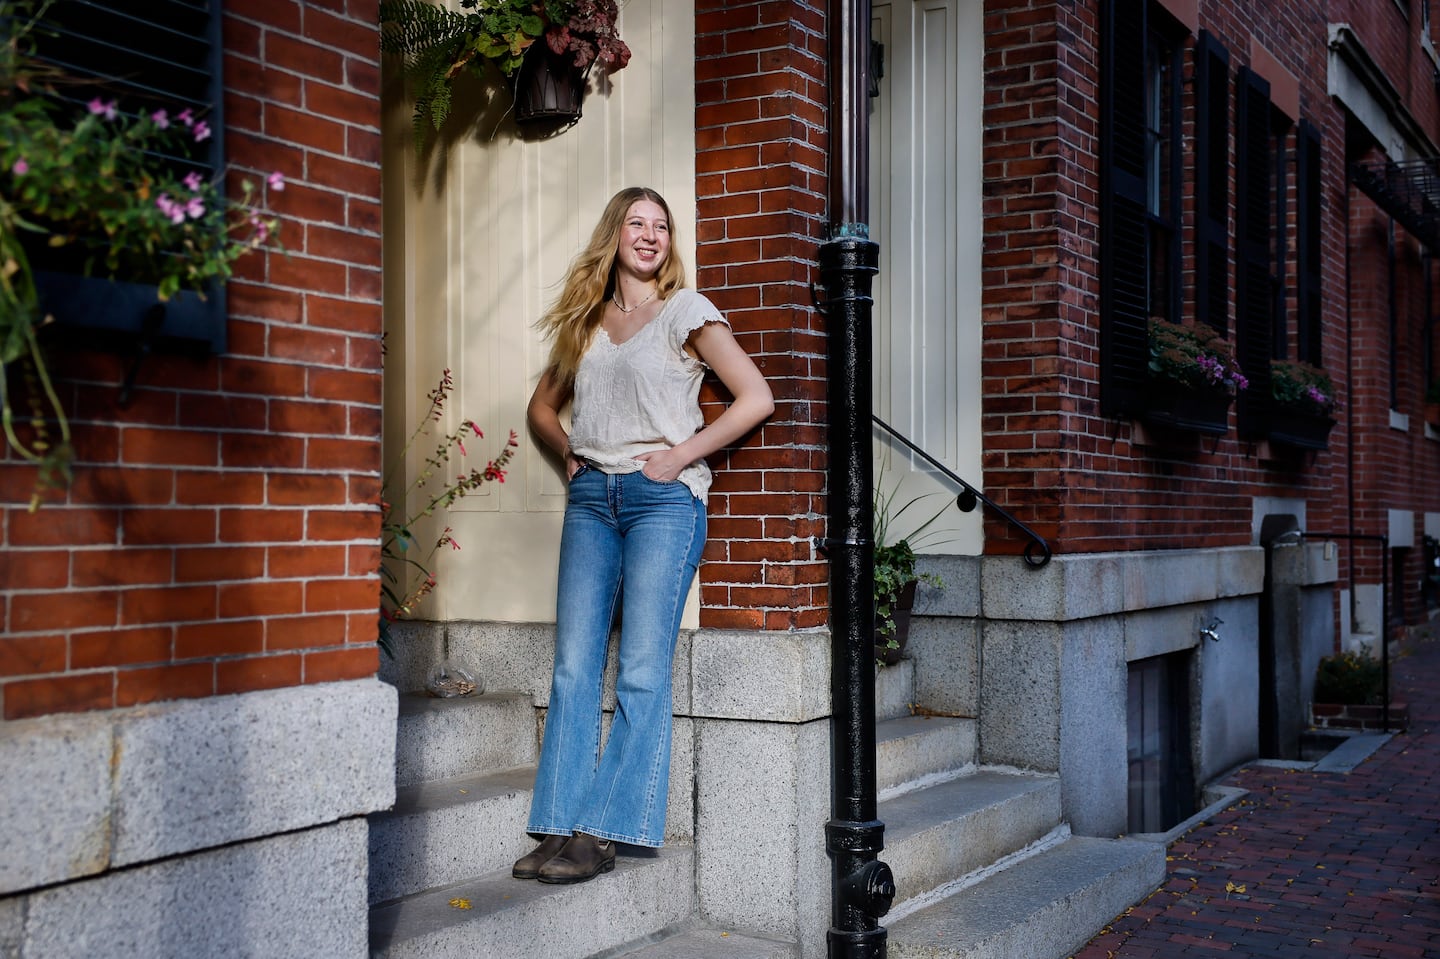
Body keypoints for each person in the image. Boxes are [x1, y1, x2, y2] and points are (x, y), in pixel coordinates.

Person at [513, 187, 774, 884]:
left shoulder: (686, 311)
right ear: (615, 235)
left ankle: (606, 828)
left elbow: (756, 396)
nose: (650, 235)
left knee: (639, 667)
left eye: (661, 225)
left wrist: (682, 455)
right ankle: (560, 821)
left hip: (664, 501)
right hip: (594, 498)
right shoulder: (587, 321)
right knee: (573, 664)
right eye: (637, 223)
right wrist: (570, 450)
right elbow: (541, 406)